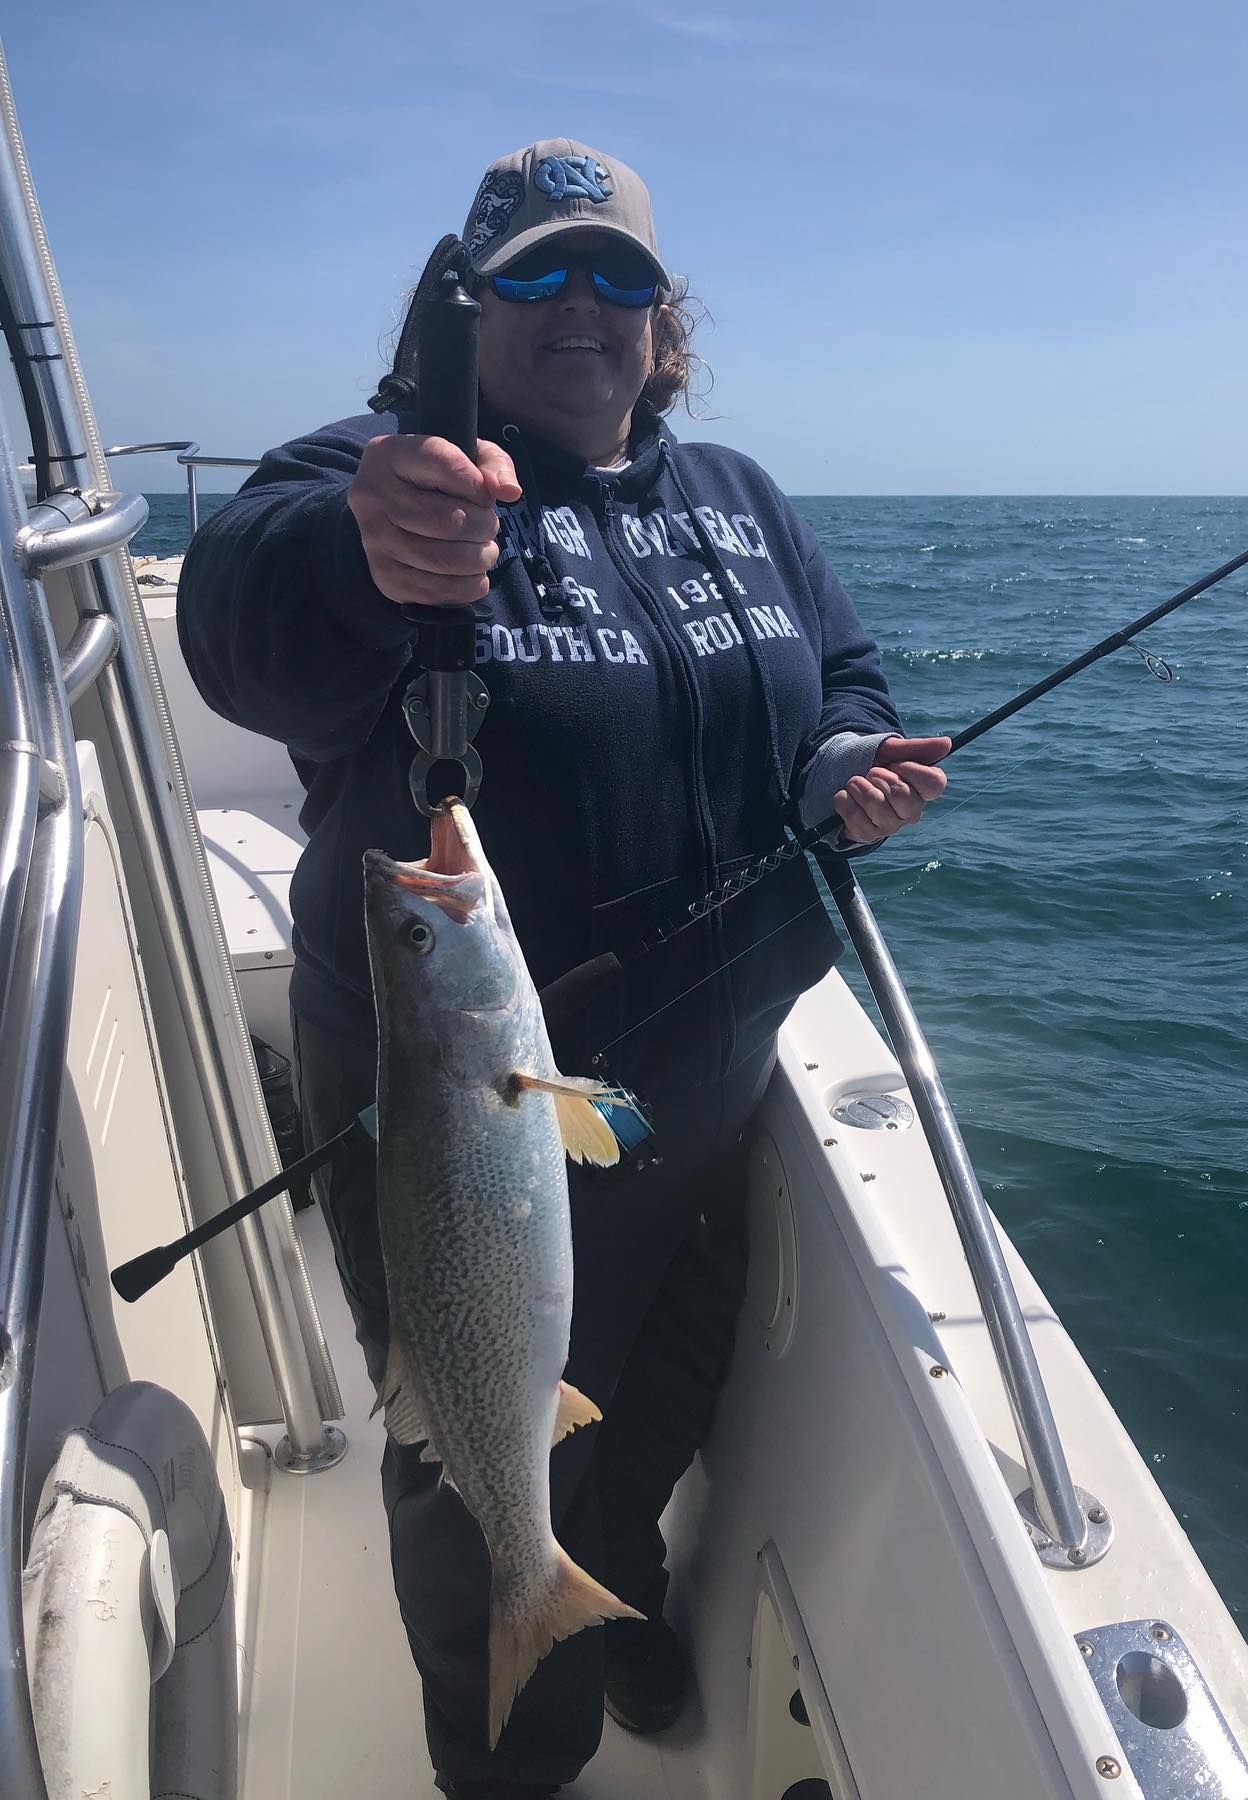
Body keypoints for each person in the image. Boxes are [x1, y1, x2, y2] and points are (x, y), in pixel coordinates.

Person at [177, 139, 947, 1798]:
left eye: (617, 278)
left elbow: (847, 675)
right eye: (533, 273)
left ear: (668, 324)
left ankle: (606, 1601)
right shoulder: (390, 473)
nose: (578, 307)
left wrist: (842, 769)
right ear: (469, 307)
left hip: (710, 1082)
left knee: (661, 1384)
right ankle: (511, 1740)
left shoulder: (736, 499)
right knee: (471, 1445)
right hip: (461, 1104)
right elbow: (241, 617)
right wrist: (358, 551)